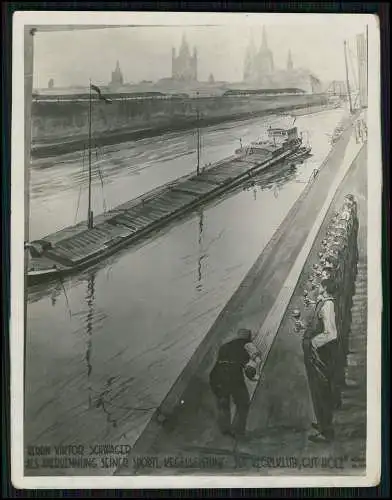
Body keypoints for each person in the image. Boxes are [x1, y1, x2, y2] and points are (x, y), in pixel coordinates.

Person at [302, 278, 341, 442]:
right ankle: (323, 423)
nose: (317, 288)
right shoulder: (326, 303)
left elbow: (331, 333)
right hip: (318, 353)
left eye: (320, 286)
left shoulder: (328, 305)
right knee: (318, 390)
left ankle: (327, 431)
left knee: (320, 390)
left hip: (319, 355)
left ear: (324, 288)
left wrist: (312, 342)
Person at [209, 328, 253, 437]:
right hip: (232, 376)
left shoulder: (225, 346)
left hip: (217, 375)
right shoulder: (247, 347)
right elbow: (247, 367)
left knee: (223, 403)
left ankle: (225, 431)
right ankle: (238, 430)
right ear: (248, 338)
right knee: (243, 402)